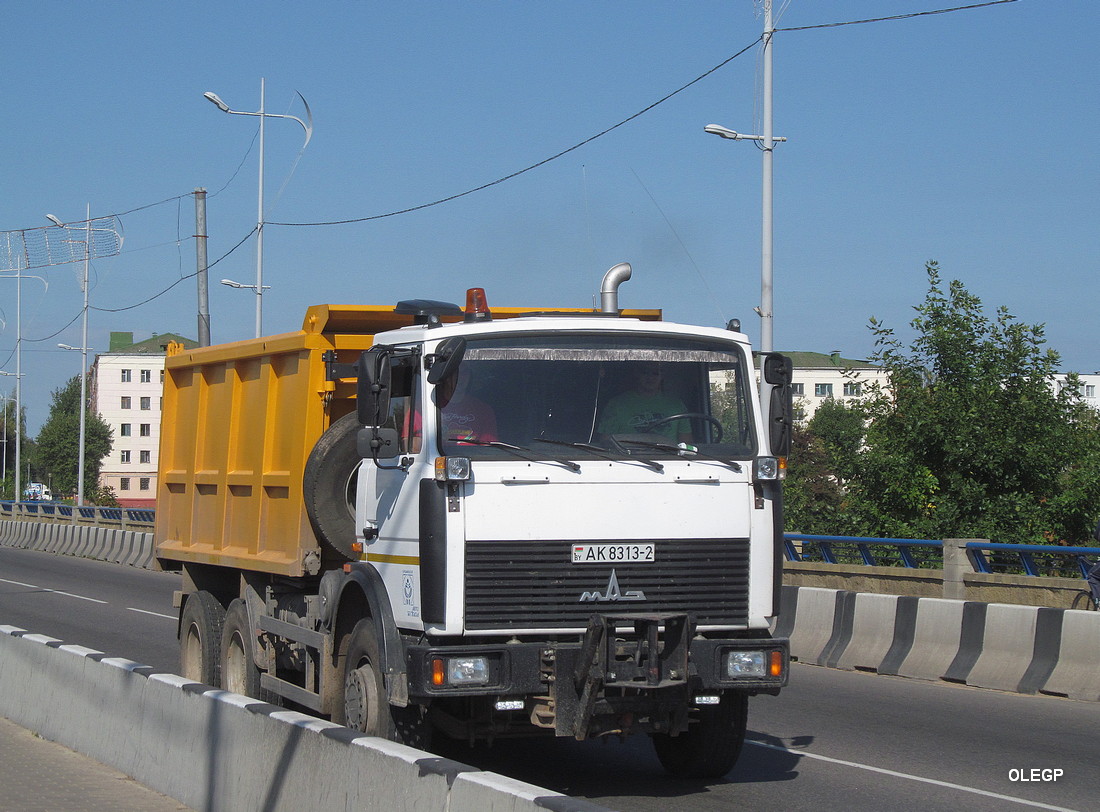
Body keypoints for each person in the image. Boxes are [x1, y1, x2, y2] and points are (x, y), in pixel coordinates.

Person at [597, 363, 691, 443]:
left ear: (662, 376)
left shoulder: (676, 405)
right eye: (645, 372)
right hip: (627, 461)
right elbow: (606, 443)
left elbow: (686, 445)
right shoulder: (616, 405)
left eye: (655, 373)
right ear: (636, 374)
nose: (650, 377)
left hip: (671, 461)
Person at [437, 366, 498, 445]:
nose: (461, 377)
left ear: (470, 376)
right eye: (457, 372)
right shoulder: (428, 407)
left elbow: (489, 447)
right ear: (447, 376)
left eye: (465, 372)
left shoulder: (483, 410)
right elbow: (417, 444)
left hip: (473, 456)